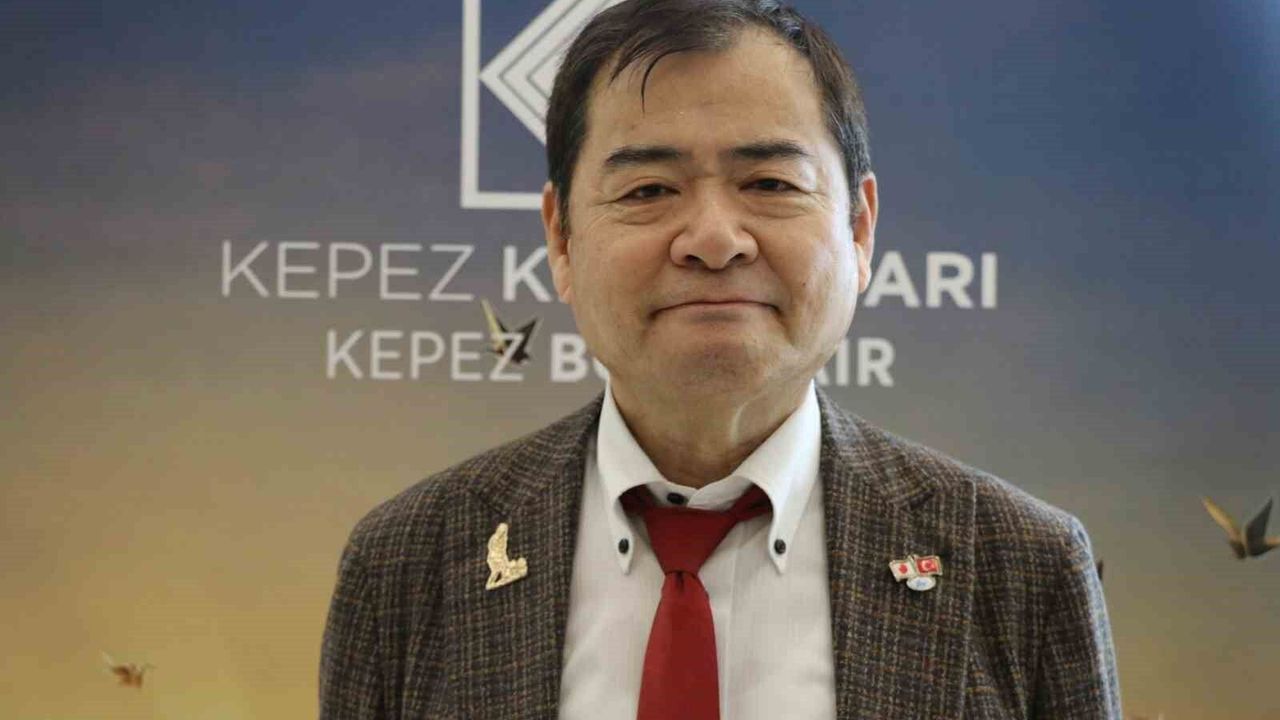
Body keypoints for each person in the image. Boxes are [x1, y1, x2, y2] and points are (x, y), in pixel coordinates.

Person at [319, 1, 1122, 718]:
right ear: (561, 238)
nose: (713, 239)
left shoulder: (1020, 566)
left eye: (769, 183)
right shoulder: (411, 562)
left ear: (860, 228)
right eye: (648, 190)